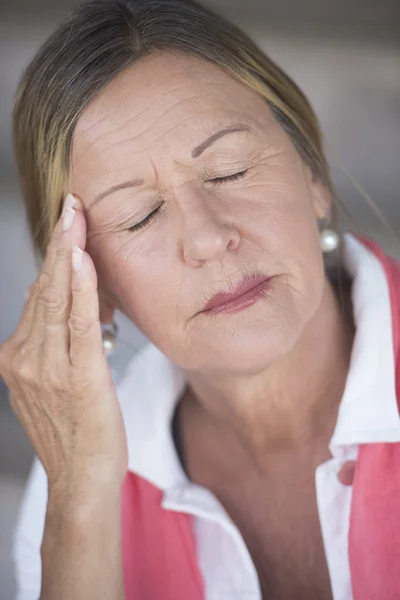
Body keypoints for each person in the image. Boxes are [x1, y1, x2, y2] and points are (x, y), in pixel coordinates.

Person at [1, 0, 400, 598]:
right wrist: (81, 503)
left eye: (230, 170)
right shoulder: (80, 483)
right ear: (89, 283)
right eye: (140, 217)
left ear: (313, 174)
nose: (210, 238)